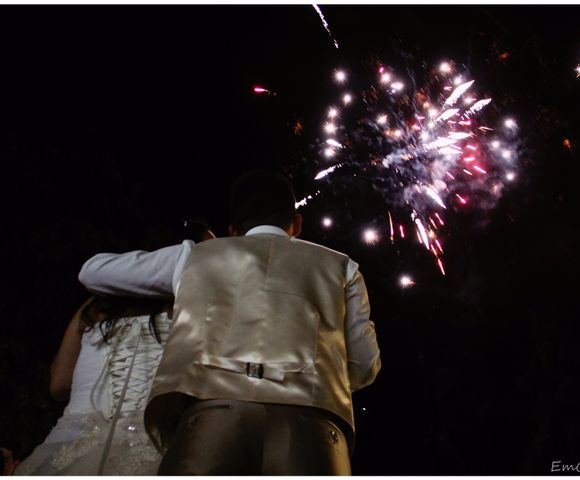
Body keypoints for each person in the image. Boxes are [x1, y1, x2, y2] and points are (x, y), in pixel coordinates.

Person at [78, 170, 381, 475]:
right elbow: (364, 365)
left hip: (211, 417)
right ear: (297, 223)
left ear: (233, 229)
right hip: (313, 427)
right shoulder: (343, 266)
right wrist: (312, 379)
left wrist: (190, 255)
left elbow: (93, 272)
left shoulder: (196, 256)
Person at [15, 222, 214, 476]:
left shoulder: (95, 308)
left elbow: (59, 383)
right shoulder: (193, 310)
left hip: (70, 446)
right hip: (151, 448)